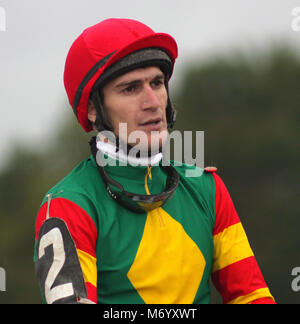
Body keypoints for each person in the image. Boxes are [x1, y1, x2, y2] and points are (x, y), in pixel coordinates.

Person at [33, 18, 275, 304]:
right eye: (130, 89)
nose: (152, 102)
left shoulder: (208, 188)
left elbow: (252, 296)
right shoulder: (67, 206)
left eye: (157, 83)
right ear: (94, 111)